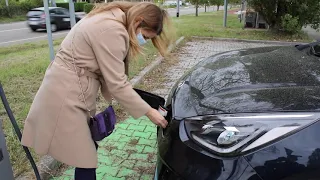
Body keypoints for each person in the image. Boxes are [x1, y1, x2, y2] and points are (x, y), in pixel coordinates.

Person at [21, 1, 174, 179]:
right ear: (138, 22)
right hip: (66, 92)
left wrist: (137, 98)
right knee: (85, 157)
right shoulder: (113, 30)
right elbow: (117, 83)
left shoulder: (111, 17)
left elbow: (115, 78)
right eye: (146, 37)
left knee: (85, 152)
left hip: (69, 86)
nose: (144, 41)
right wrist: (149, 112)